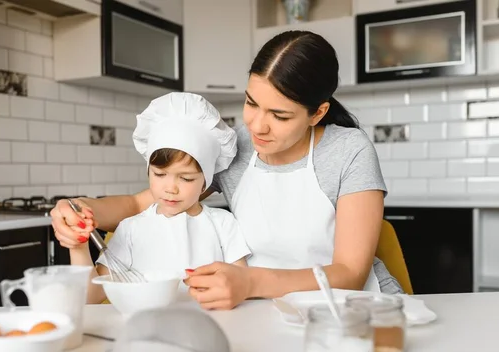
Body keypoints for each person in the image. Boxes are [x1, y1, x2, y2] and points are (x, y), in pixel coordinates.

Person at [53, 30, 403, 310]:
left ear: (317, 113)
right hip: (268, 310)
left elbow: (350, 273)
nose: (258, 126)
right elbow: (139, 204)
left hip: (355, 309)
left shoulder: (348, 150)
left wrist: (250, 282)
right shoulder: (236, 146)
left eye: (279, 115)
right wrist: (81, 210)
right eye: (251, 103)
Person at [69, 92, 251, 304]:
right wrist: (78, 248)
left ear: (206, 181)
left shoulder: (223, 224)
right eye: (160, 174)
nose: (170, 188)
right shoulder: (130, 229)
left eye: (186, 178)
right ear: (148, 171)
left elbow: (241, 286)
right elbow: (91, 297)